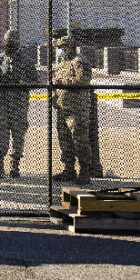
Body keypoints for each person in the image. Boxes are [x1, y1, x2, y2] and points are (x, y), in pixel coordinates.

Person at [0, 29, 36, 179]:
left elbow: (34, 82)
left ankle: (15, 166)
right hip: (1, 103)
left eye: (12, 43)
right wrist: (0, 79)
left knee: (18, 134)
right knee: (0, 135)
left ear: (17, 43)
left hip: (19, 104)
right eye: (7, 42)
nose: (9, 45)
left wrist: (19, 82)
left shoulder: (26, 61)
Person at [51, 36, 93, 184]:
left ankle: (84, 172)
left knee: (80, 141)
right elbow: (57, 79)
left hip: (77, 109)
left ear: (71, 46)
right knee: (65, 142)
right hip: (62, 107)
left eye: (65, 47)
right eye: (61, 48)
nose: (63, 50)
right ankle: (68, 170)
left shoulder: (79, 62)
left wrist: (63, 82)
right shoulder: (62, 63)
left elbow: (83, 80)